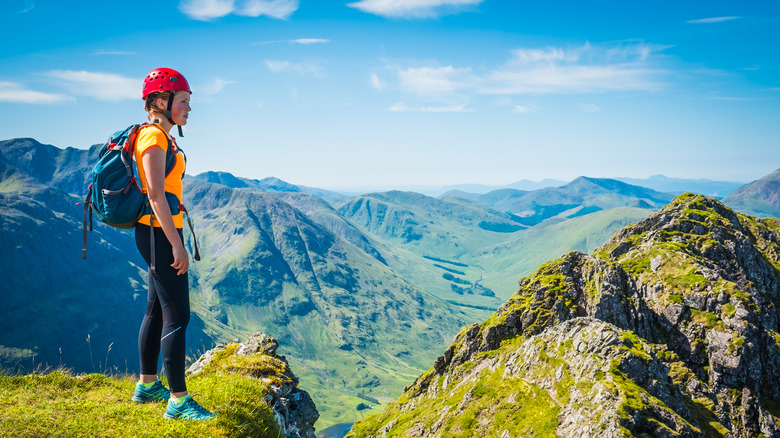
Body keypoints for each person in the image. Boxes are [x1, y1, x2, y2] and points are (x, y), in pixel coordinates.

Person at [129, 67, 215, 421]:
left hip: (158, 233)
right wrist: (175, 244)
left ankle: (148, 385)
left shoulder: (161, 136)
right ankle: (178, 401)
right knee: (178, 315)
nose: (189, 108)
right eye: (184, 101)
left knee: (156, 309)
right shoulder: (153, 138)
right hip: (159, 233)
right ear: (161, 102)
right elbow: (154, 194)